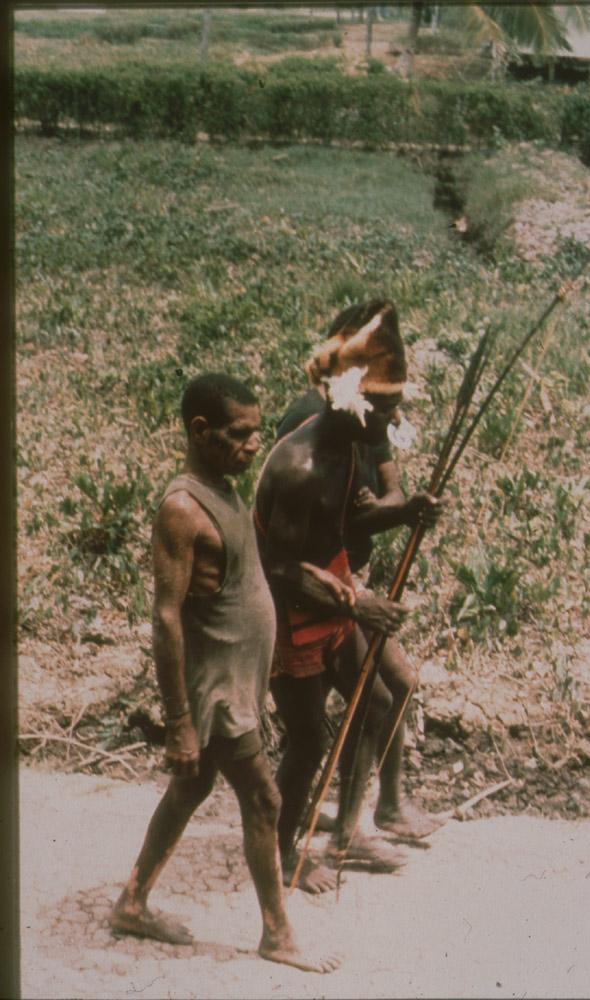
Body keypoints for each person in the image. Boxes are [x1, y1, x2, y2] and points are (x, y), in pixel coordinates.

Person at [110, 372, 340, 974]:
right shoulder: (183, 510)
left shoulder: (230, 491)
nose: (251, 446)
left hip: (238, 684)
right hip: (213, 694)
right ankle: (277, 934)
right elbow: (166, 617)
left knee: (192, 788)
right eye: (239, 435)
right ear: (200, 432)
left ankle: (133, 901)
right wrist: (180, 722)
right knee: (264, 799)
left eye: (256, 434)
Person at [254, 300, 440, 895]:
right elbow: (277, 566)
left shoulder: (354, 443)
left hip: (331, 594)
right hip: (286, 610)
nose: (396, 414)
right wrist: (356, 604)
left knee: (379, 701)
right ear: (350, 400)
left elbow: (354, 516)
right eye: (386, 405)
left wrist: (405, 511)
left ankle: (346, 833)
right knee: (307, 740)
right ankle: (281, 856)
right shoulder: (301, 463)